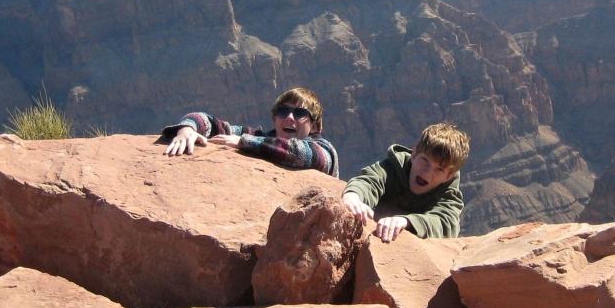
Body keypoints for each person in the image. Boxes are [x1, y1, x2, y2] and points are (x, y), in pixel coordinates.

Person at [162, 86, 339, 177]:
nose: (290, 118)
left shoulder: (324, 149)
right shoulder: (261, 138)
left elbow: (308, 156)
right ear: (274, 118)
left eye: (300, 113)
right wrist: (187, 129)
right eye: (283, 111)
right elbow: (210, 122)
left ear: (315, 127)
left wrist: (243, 142)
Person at [342, 122, 469, 243]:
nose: (427, 172)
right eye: (424, 160)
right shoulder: (394, 167)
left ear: (448, 176)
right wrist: (353, 196)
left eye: (439, 169)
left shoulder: (448, 195)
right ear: (413, 155)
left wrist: (407, 222)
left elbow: (445, 223)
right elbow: (370, 181)